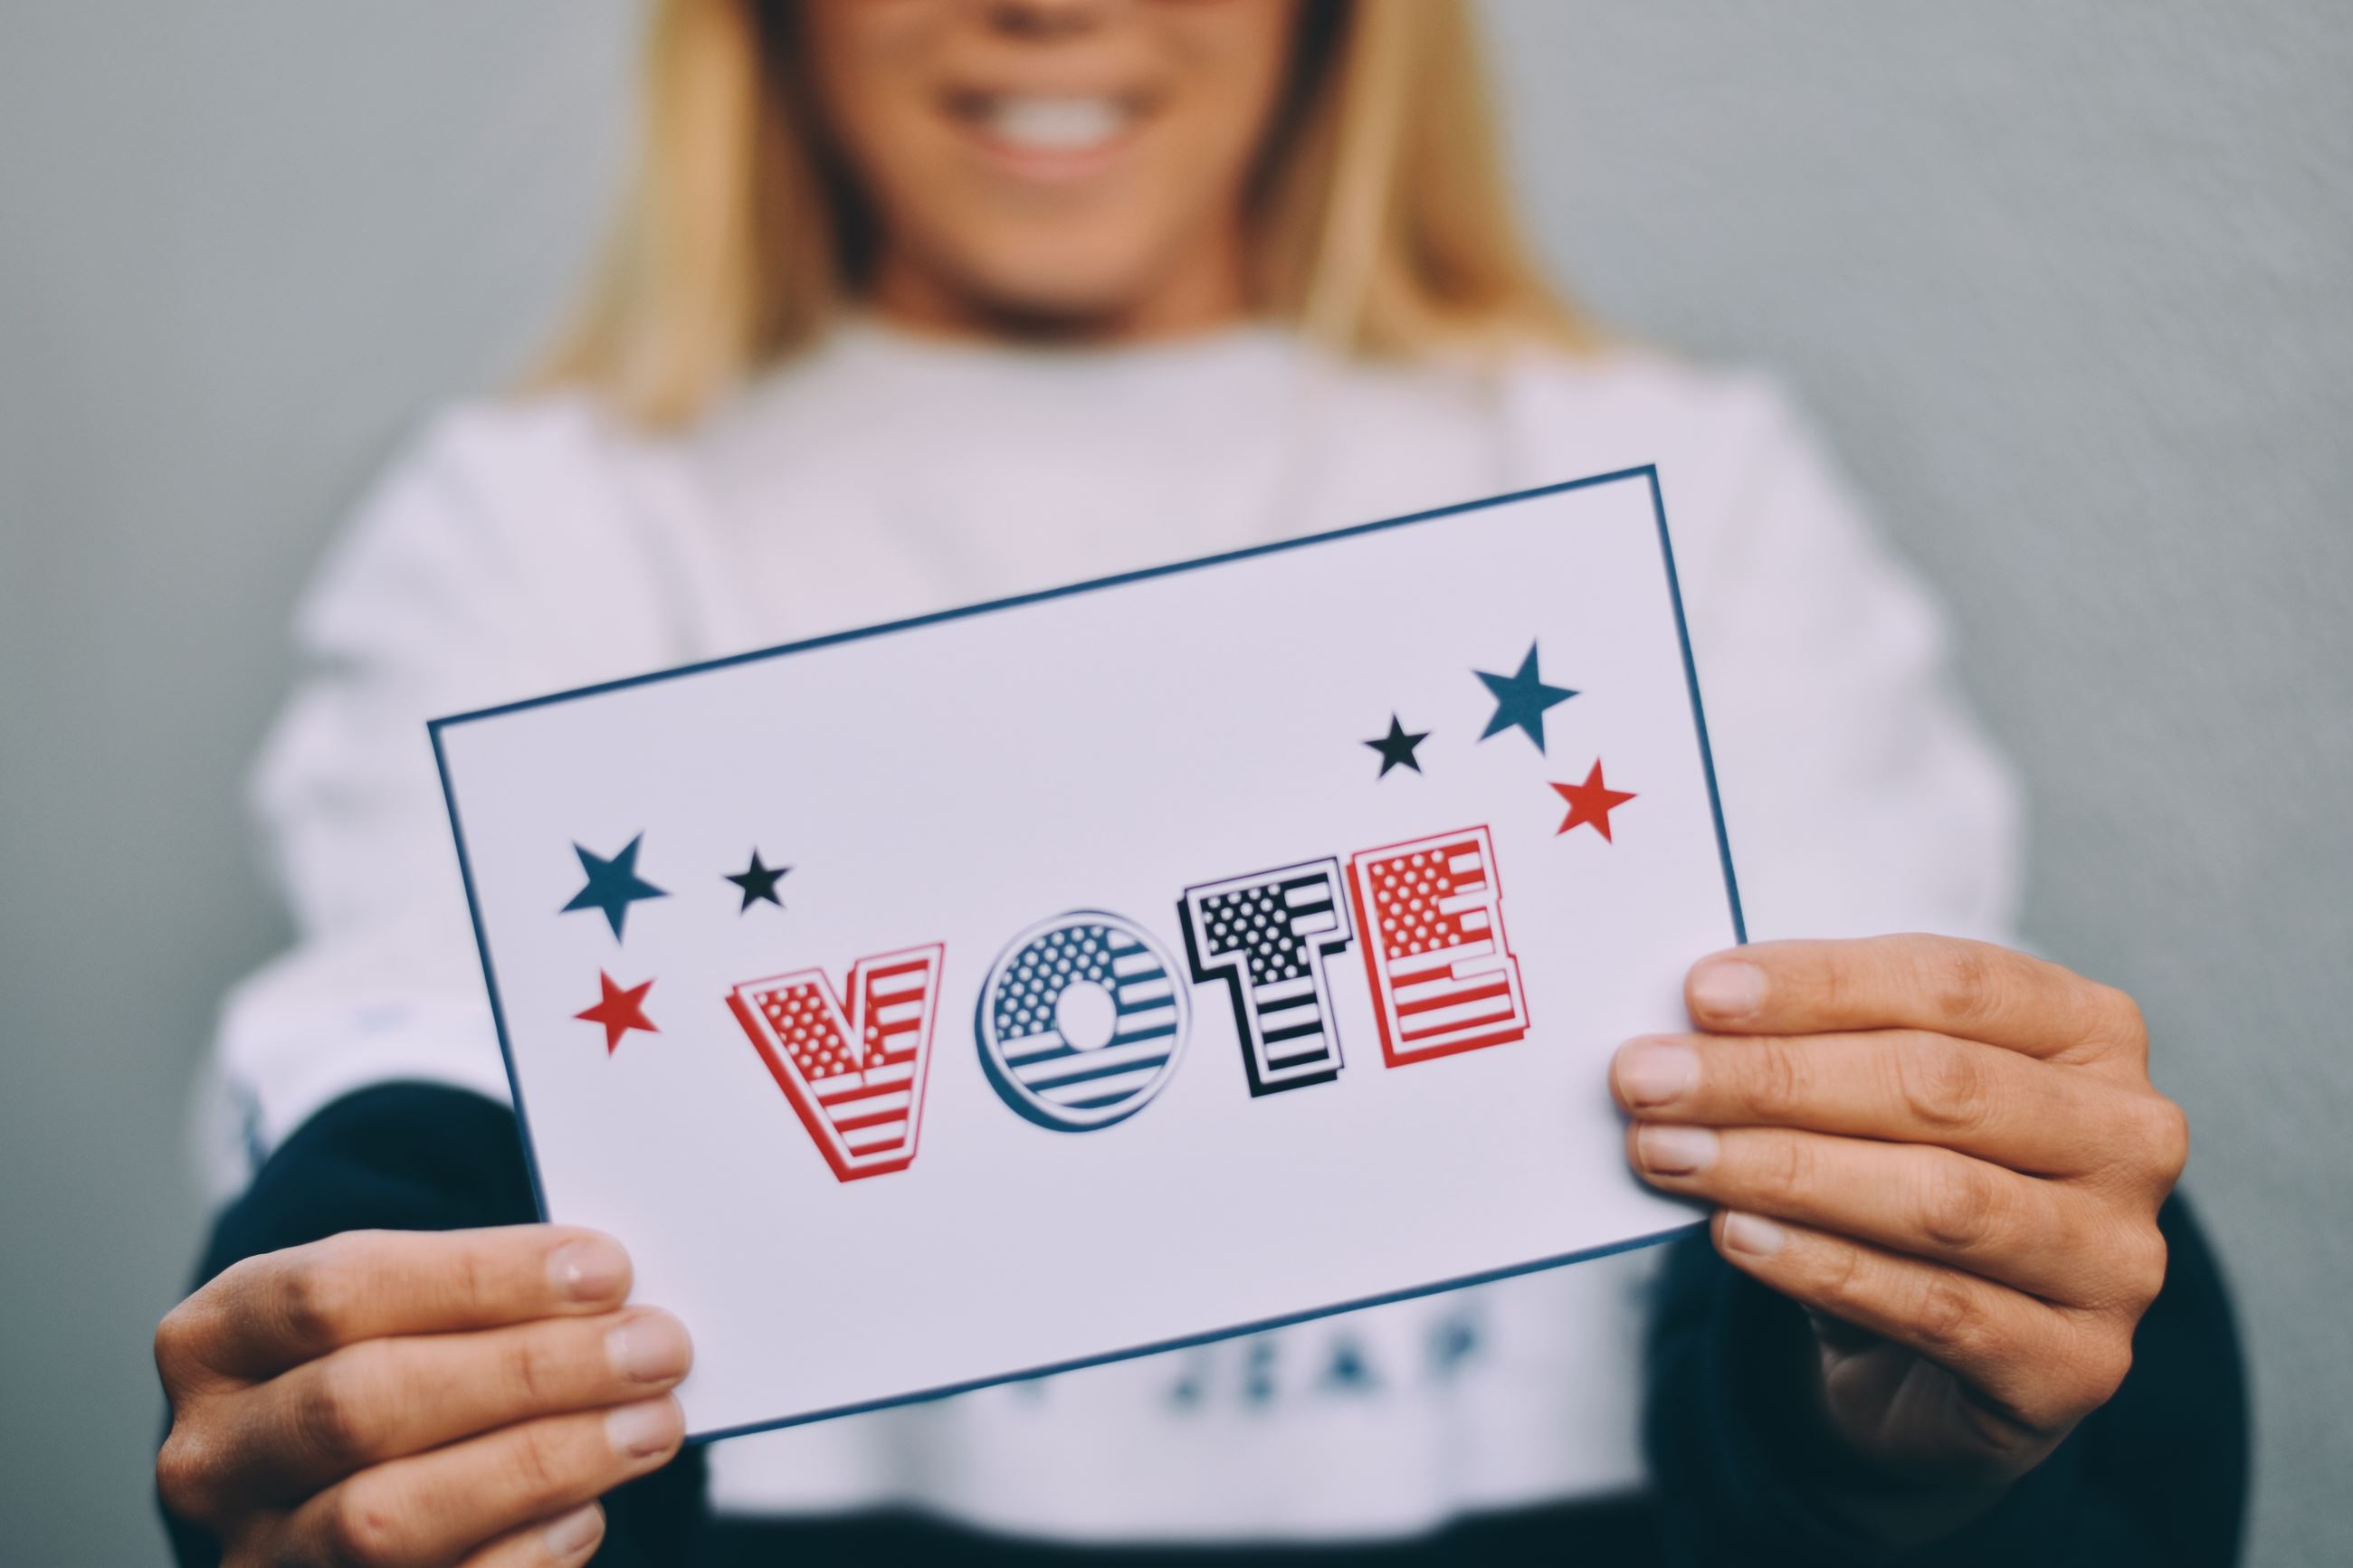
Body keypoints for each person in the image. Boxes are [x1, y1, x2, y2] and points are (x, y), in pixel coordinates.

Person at [153, 2, 2243, 1563]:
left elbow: (1873, 1278)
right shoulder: (541, 528)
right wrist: (378, 1406)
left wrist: (1924, 1392)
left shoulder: (1680, 492)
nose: (1048, 2)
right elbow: (409, 1145)